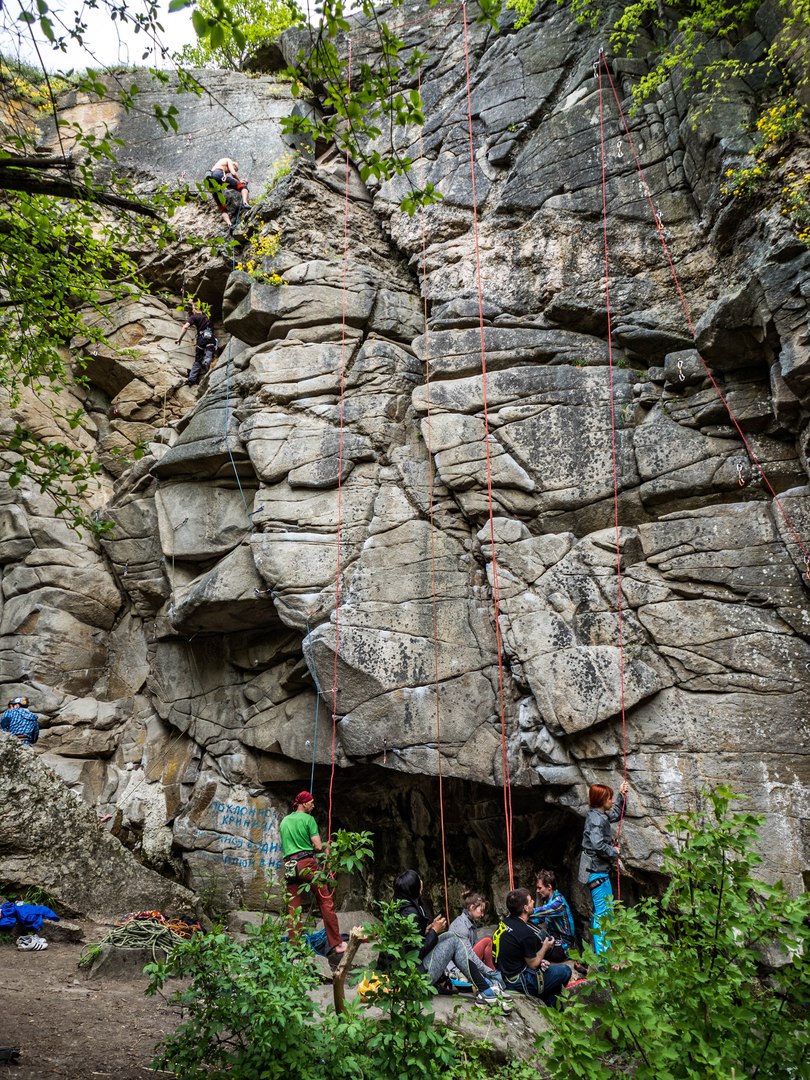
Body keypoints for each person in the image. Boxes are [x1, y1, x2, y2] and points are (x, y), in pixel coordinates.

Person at [392, 870, 510, 1010]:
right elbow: (415, 954)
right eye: (419, 880)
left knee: (450, 936)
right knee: (454, 941)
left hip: (409, 972)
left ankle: (484, 985)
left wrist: (427, 931)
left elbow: (408, 945)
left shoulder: (402, 906)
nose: (422, 882)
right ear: (414, 887)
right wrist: (434, 931)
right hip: (414, 980)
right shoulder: (409, 913)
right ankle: (486, 988)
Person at [279, 790, 345, 955]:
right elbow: (316, 846)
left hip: (289, 865)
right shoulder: (309, 820)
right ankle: (337, 944)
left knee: (294, 906)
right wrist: (326, 847)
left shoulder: (285, 821)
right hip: (305, 863)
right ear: (304, 803)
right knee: (325, 900)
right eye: (311, 802)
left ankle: (294, 947)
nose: (313, 805)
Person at [493, 887, 572, 1007]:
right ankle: (552, 1005)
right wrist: (545, 947)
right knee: (565, 971)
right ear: (525, 908)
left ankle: (552, 1006)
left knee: (548, 975)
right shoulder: (525, 933)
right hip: (517, 981)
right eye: (530, 901)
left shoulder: (505, 923)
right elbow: (533, 964)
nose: (533, 902)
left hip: (504, 974)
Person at [580, 778, 629, 956]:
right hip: (596, 872)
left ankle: (603, 954)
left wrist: (622, 794)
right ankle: (603, 960)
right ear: (602, 801)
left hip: (598, 872)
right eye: (610, 798)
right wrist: (614, 851)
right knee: (602, 914)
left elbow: (617, 814)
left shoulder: (599, 815)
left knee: (605, 911)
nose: (613, 801)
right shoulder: (595, 820)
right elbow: (598, 845)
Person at [530, 869, 578, 963]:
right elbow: (539, 919)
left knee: (533, 947)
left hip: (564, 947)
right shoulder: (548, 901)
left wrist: (525, 911)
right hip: (553, 941)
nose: (537, 891)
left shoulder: (558, 902)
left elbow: (542, 911)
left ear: (549, 887)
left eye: (540, 888)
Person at [448, 890, 496, 971]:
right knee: (487, 941)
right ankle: (492, 972)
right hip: (460, 965)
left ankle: (491, 971)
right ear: (472, 907)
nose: (482, 915)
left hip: (465, 961)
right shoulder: (460, 925)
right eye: (481, 911)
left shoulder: (470, 922)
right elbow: (468, 955)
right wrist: (487, 970)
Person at [175, 301, 217, 386]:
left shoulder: (194, 317)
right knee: (209, 355)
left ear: (194, 310)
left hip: (201, 340)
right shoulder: (208, 318)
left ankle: (191, 379)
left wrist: (179, 339)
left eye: (193, 309)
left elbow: (185, 326)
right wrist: (192, 302)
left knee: (197, 360)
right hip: (211, 340)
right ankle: (207, 363)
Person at [205, 157, 249, 229]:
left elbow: (228, 186)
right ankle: (245, 203)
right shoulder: (228, 160)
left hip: (211, 182)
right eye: (235, 168)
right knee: (243, 187)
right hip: (218, 174)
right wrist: (239, 180)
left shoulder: (218, 166)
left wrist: (233, 184)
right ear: (234, 164)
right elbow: (233, 173)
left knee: (222, 207)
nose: (235, 169)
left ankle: (230, 225)